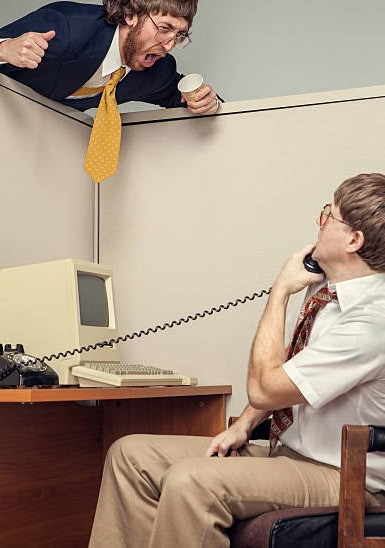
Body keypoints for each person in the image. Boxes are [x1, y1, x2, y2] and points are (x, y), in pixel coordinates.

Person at [88, 172, 385, 548]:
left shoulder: (370, 323)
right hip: (289, 453)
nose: (319, 221)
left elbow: (265, 387)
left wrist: (279, 291)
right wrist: (244, 425)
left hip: (344, 475)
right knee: (131, 455)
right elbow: (293, 380)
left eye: (330, 215)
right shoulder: (330, 294)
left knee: (192, 481)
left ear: (353, 240)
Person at [0, 0, 218, 115]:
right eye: (164, 28)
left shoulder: (157, 71)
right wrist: (3, 49)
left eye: (179, 35)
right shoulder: (67, 28)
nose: (169, 45)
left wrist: (208, 102)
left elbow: (180, 96)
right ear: (131, 14)